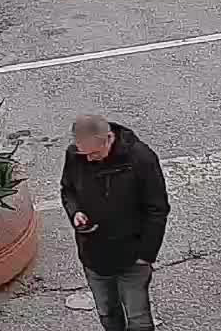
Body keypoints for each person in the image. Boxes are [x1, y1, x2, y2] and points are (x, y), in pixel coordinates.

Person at [61, 115, 170, 331]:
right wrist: (75, 212)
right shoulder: (76, 155)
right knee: (107, 312)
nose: (89, 159)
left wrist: (146, 255)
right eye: (84, 154)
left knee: (138, 318)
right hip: (94, 253)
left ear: (109, 138)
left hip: (132, 255)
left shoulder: (141, 159)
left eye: (94, 153)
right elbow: (68, 190)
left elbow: (157, 209)